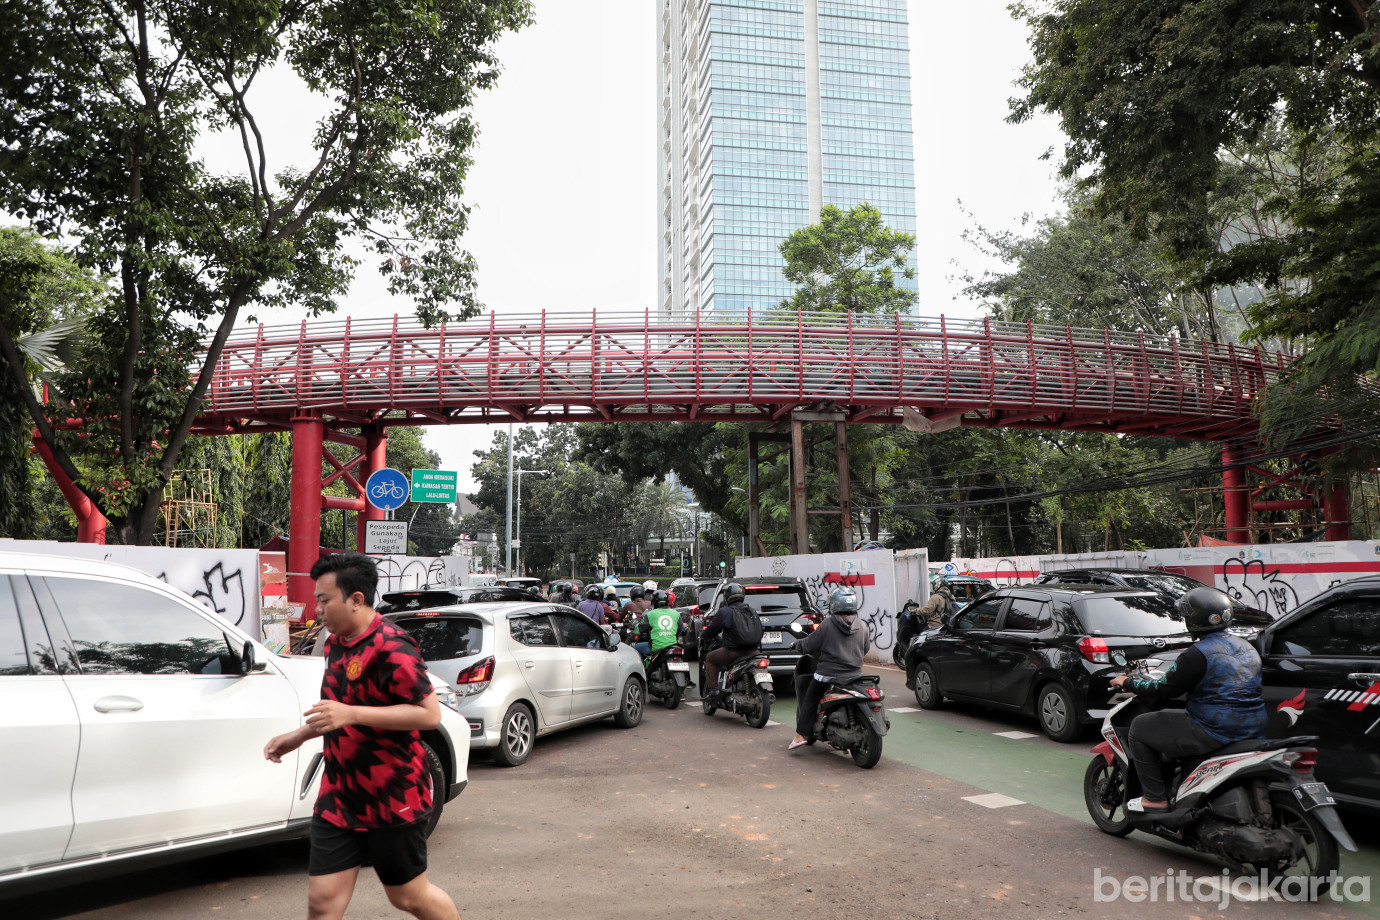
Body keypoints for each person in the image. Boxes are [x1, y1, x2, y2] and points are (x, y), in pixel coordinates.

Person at [263, 553, 459, 920]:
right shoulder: (335, 642)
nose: (317, 608)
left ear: (356, 600)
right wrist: (299, 735)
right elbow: (339, 708)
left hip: (393, 794)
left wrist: (351, 714)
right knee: (322, 903)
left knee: (409, 898)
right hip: (339, 794)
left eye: (324, 600)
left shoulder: (394, 646)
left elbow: (429, 714)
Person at [1109, 587, 1267, 813]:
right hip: (1254, 728)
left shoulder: (1196, 654)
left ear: (1193, 621)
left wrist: (1127, 681)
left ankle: (1154, 799)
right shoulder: (1248, 648)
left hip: (1212, 730)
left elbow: (1163, 689)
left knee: (1139, 727)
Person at [789, 588, 870, 750]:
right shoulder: (863, 625)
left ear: (834, 604)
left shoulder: (828, 624)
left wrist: (796, 645)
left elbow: (809, 644)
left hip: (828, 674)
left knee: (810, 699)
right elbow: (865, 649)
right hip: (855, 675)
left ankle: (800, 736)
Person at [701, 582, 759, 701]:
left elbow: (712, 630)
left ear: (727, 597)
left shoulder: (724, 612)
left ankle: (713, 690)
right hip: (754, 652)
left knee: (710, 658)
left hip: (733, 652)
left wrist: (703, 636)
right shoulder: (751, 611)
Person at [634, 590, 680, 657]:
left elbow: (639, 630)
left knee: (637, 647)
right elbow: (681, 630)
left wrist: (635, 625)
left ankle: (641, 668)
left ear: (653, 601)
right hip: (673, 646)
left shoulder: (650, 614)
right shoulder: (676, 613)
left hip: (656, 647)